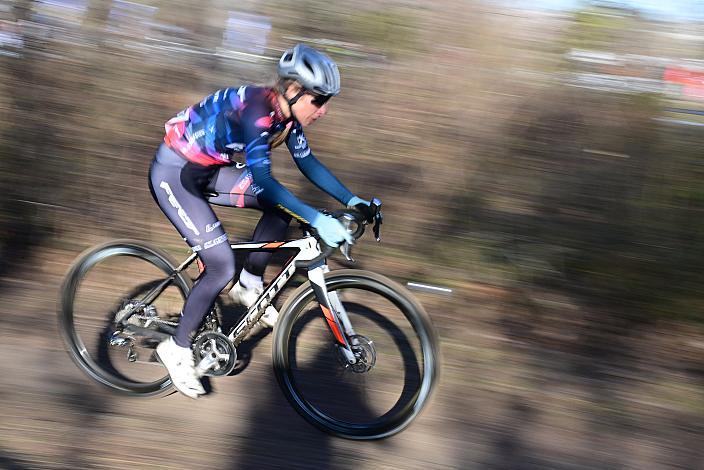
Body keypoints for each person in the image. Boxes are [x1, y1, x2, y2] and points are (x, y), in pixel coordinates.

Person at [148, 44, 375, 398]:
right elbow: (265, 183)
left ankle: (249, 284)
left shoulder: (287, 116)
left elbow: (309, 164)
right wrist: (316, 217)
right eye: (319, 100)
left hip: (208, 170)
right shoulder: (258, 111)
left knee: (282, 209)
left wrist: (352, 199)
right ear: (294, 90)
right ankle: (176, 349)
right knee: (220, 265)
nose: (324, 110)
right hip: (175, 173)